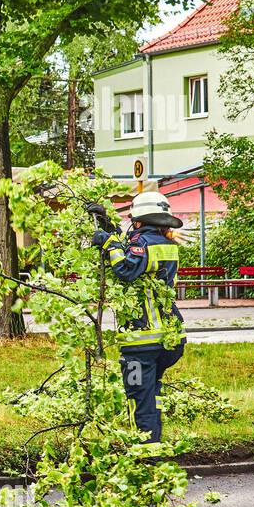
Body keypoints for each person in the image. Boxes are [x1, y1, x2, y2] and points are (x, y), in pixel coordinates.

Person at [89, 190, 186, 443]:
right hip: (170, 342)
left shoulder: (143, 244)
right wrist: (108, 224)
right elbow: (131, 249)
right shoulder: (166, 244)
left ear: (139, 220)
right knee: (152, 394)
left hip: (140, 344)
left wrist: (107, 242)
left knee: (138, 398)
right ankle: (158, 445)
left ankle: (147, 456)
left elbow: (125, 268)